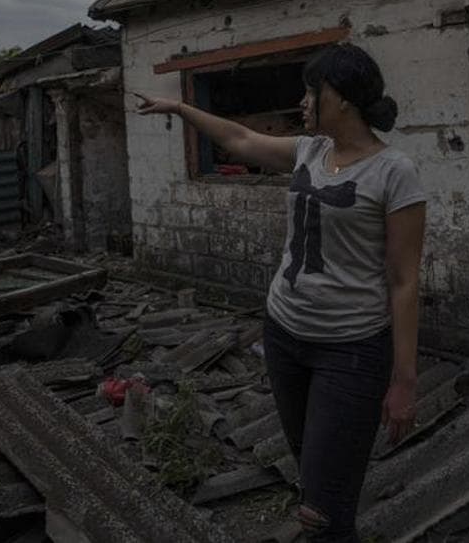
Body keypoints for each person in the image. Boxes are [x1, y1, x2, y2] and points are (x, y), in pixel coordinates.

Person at [134, 42, 426, 542]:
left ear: (343, 100)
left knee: (327, 499)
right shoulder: (310, 151)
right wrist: (181, 108)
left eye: (312, 91)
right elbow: (242, 139)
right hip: (286, 334)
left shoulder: (394, 172)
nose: (303, 101)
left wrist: (403, 380)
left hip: (351, 349)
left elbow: (404, 281)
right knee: (309, 466)